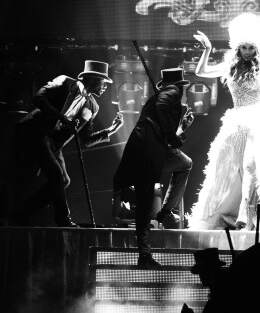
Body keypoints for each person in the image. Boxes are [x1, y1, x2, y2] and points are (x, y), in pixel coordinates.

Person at [188, 12, 260, 231]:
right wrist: (207, 49)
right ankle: (236, 214)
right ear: (238, 48)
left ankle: (246, 215)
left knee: (251, 165)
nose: (249, 52)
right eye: (245, 48)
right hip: (237, 121)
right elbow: (201, 71)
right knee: (231, 170)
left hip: (259, 120)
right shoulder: (229, 66)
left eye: (252, 48)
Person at [8, 60, 123, 227]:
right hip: (36, 133)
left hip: (53, 143)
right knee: (56, 174)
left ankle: (22, 214)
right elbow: (38, 98)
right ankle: (63, 220)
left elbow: (87, 140)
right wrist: (62, 118)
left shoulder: (93, 105)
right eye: (103, 81)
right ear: (92, 79)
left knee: (64, 181)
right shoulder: (65, 82)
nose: (105, 86)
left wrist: (111, 130)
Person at [113, 68, 194, 267]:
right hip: (148, 148)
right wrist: (172, 134)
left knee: (184, 164)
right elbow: (161, 110)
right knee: (145, 200)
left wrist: (181, 129)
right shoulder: (172, 92)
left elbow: (164, 129)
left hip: (149, 147)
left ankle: (163, 215)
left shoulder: (164, 97)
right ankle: (145, 254)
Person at [184, 248, 231, 313]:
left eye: (201, 272)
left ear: (208, 270)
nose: (200, 277)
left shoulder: (221, 295)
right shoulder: (223, 289)